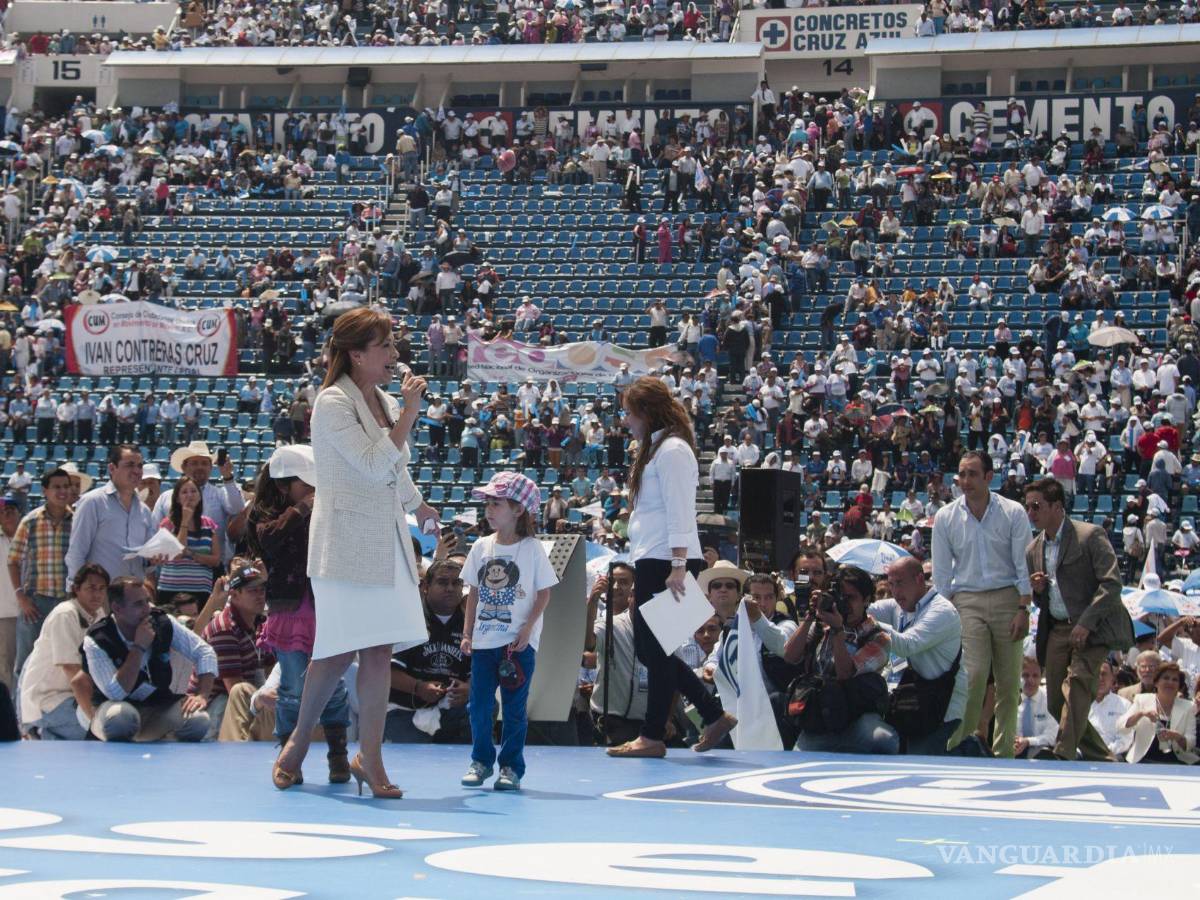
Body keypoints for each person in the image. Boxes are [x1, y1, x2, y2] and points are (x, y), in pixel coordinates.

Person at [273, 308, 438, 798]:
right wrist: (408, 414)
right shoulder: (331, 402)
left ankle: (371, 756)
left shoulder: (382, 399)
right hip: (344, 542)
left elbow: (394, 466)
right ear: (356, 354)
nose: (394, 355)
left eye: (392, 344)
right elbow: (370, 464)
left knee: (379, 650)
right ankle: (299, 743)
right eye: (384, 346)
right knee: (335, 650)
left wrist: (418, 503)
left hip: (385, 540)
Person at [605, 377, 736, 759]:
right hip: (654, 556)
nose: (625, 420)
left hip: (668, 559)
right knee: (652, 650)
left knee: (655, 649)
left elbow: (681, 510)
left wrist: (679, 565)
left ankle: (652, 734)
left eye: (629, 413)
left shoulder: (674, 449)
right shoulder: (658, 447)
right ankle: (711, 714)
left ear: (646, 411)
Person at [247, 446, 351, 772]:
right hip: (288, 610)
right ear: (282, 485)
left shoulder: (322, 509)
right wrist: (304, 508)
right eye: (304, 486)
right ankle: (290, 757)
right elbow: (268, 540)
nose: (311, 491)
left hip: (325, 606)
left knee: (333, 682)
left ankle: (338, 754)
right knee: (291, 684)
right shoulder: (263, 515)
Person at [459, 472, 558, 791]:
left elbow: (544, 592)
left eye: (496, 503)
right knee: (480, 706)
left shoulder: (532, 549)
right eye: (487, 503)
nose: (488, 509)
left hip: (517, 645)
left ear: (518, 509)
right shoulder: (480, 546)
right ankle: (481, 761)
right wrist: (467, 632)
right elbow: (473, 591)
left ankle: (512, 767)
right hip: (485, 642)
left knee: (515, 709)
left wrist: (528, 629)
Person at [1023, 477, 1134, 761]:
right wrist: (1038, 592)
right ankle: (1104, 757)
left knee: (1077, 688)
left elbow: (1111, 584)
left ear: (1057, 506)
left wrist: (1086, 622)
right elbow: (1042, 600)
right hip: (1058, 629)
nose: (1031, 513)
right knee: (1057, 702)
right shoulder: (1033, 549)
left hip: (1095, 628)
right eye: (1028, 507)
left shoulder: (1090, 535)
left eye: (1036, 506)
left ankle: (1063, 753)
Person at [932, 450, 1033, 758]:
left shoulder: (1013, 512)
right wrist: (946, 615)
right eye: (961, 474)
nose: (965, 481)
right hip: (966, 602)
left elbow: (1023, 564)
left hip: (1008, 599)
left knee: (1008, 683)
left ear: (989, 477)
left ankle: (1004, 754)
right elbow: (941, 575)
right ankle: (958, 746)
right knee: (973, 676)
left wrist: (1023, 608)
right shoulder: (945, 517)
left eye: (972, 474)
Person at [80, 576, 217, 742]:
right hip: (115, 708)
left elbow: (205, 652)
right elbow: (115, 692)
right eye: (138, 604)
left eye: (147, 601)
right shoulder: (97, 639)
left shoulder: (162, 622)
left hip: (158, 707)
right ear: (117, 608)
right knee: (121, 718)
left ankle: (165, 753)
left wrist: (202, 694)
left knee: (198, 720)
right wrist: (138, 648)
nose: (147, 609)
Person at [783, 565, 897, 754]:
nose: (845, 604)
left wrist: (837, 631)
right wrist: (812, 616)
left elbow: (845, 673)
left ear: (867, 599)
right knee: (798, 759)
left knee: (883, 740)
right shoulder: (822, 626)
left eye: (851, 598)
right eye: (840, 598)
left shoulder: (879, 637)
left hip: (857, 717)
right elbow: (790, 656)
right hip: (822, 716)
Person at [872, 556, 969, 755]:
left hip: (942, 707)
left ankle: (969, 750)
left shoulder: (942, 611)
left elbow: (906, 645)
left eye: (899, 583)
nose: (895, 592)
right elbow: (866, 609)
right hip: (914, 702)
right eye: (891, 584)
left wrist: (868, 624)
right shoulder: (900, 604)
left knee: (920, 765)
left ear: (918, 579)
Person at [17, 564, 109, 739]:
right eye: (91, 588)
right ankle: (38, 732)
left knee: (116, 723)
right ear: (76, 589)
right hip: (48, 700)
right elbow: (72, 670)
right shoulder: (65, 614)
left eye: (101, 588)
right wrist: (94, 716)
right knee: (101, 730)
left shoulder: (99, 615)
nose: (97, 594)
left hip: (75, 695)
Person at [387, 555, 471, 744]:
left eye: (456, 583)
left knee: (487, 706)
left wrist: (469, 688)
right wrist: (419, 687)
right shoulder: (408, 620)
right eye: (442, 582)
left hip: (451, 710)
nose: (450, 588)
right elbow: (387, 671)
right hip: (405, 710)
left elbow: (482, 670)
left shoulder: (470, 624)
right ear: (425, 586)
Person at [193, 561, 273, 742]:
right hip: (215, 704)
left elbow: (271, 671)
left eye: (262, 590)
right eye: (253, 591)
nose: (260, 596)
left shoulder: (262, 623)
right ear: (234, 595)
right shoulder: (225, 629)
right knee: (241, 692)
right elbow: (234, 690)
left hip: (247, 695)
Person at [7, 466, 74, 676]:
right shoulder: (30, 521)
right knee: (26, 663)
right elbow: (13, 561)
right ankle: (21, 708)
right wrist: (21, 597)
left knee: (66, 660)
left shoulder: (78, 520)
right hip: (35, 602)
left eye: (65, 486)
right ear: (45, 490)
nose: (62, 491)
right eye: (56, 487)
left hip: (67, 601)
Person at [64, 445, 157, 590]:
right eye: (130, 465)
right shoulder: (93, 502)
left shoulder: (144, 511)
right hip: (100, 594)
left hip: (132, 597)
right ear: (112, 468)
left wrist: (152, 560)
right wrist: (75, 590)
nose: (137, 471)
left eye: (139, 466)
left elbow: (145, 560)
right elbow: (77, 551)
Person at [153, 441, 246, 567]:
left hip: (212, 569)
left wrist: (227, 476)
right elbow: (154, 532)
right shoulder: (166, 497)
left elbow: (238, 509)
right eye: (194, 463)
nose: (200, 467)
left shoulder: (220, 494)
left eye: (204, 463)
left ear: (210, 468)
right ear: (184, 467)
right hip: (172, 571)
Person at [587, 562, 647, 746]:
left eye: (623, 582)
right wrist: (592, 601)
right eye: (612, 581)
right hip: (609, 719)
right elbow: (588, 643)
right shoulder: (607, 623)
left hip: (644, 720)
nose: (616, 587)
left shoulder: (656, 623)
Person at [155, 475, 222, 608]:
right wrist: (185, 522)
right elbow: (178, 554)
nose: (189, 495)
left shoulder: (209, 524)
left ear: (199, 495)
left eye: (193, 491)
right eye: (184, 492)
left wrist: (191, 554)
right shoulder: (167, 524)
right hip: (171, 589)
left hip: (201, 590)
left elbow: (216, 560)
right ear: (177, 498)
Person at [1117, 661, 1197, 764]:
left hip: (1177, 761)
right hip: (1144, 760)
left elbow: (1191, 743)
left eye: (1175, 680)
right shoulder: (1142, 700)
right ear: (1156, 682)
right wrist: (1141, 714)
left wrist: (1176, 736)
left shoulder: (1188, 706)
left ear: (1179, 686)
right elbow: (1121, 726)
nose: (1170, 682)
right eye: (1166, 678)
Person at [1014, 656, 1059, 758]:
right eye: (1025, 675)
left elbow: (1052, 736)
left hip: (1042, 753)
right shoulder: (1011, 699)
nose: (1030, 680)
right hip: (1015, 752)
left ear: (1041, 677)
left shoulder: (1050, 699)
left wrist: (1028, 741)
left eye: (1035, 676)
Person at [1088, 661, 1133, 758]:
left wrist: (1105, 752)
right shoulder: (1080, 704)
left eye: (1104, 674)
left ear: (1112, 678)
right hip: (1083, 755)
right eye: (1096, 674)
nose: (1100, 679)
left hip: (1113, 756)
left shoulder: (1125, 705)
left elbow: (1125, 739)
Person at [0, 496, 17, 692]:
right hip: (4, 612)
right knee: (5, 666)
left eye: (11, 509)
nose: (7, 514)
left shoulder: (29, 537)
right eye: (3, 511)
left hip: (30, 611)